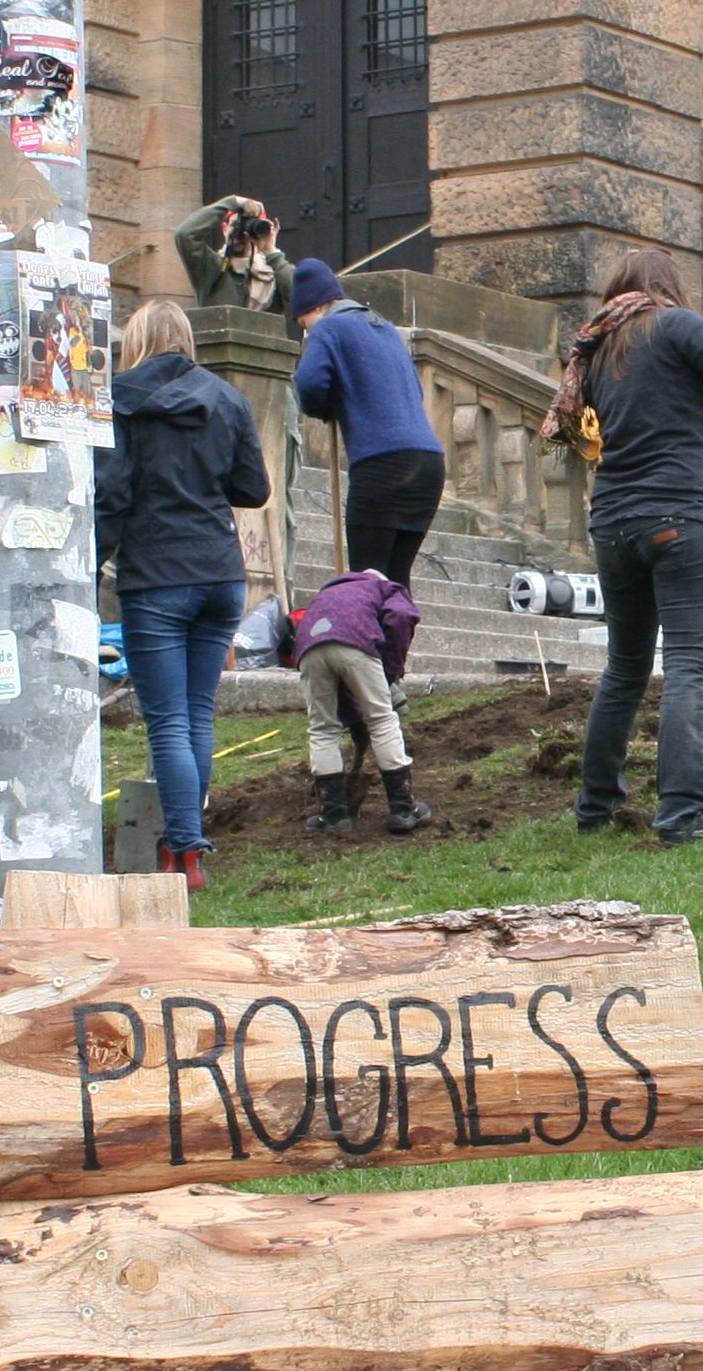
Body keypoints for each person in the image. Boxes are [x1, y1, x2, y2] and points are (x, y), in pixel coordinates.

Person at [539, 246, 703, 846]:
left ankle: (595, 807)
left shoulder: (600, 350)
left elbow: (660, 434)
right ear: (670, 286)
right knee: (689, 668)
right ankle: (682, 814)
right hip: (678, 520)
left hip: (615, 523)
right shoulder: (677, 325)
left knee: (625, 668)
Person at [98, 298, 271, 887]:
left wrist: (89, 560)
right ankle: (186, 850)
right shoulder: (227, 398)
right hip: (221, 575)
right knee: (196, 716)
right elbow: (253, 487)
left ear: (136, 340)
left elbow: (112, 495)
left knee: (167, 720)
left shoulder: (120, 400)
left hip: (157, 577)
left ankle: (185, 851)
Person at [290, 258, 447, 585]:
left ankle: (363, 637)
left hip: (382, 465)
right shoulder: (386, 328)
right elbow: (415, 390)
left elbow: (308, 386)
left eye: (303, 322)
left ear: (316, 307)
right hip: (428, 464)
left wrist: (324, 407)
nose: (305, 329)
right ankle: (398, 637)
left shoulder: (328, 327)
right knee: (395, 581)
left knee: (365, 581)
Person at [287, 565, 431, 835]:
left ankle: (334, 816)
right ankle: (403, 809)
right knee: (382, 719)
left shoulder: (329, 593)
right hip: (355, 643)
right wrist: (390, 670)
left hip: (308, 649)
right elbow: (401, 616)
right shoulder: (386, 588)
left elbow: (341, 683)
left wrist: (354, 719)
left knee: (322, 727)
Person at [172, 195, 285, 311]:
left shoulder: (271, 275)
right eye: (235, 225)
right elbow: (184, 235)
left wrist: (272, 252)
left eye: (247, 228)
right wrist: (232, 202)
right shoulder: (212, 267)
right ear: (224, 228)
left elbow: (299, 295)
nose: (241, 234)